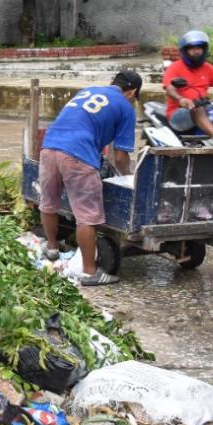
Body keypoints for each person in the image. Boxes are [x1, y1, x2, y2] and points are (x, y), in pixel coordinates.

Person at [39, 70, 143, 286]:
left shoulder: (87, 91)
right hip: (78, 153)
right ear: (132, 92)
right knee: (87, 216)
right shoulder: (125, 107)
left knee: (49, 202)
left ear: (113, 83)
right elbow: (121, 156)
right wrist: (129, 179)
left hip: (49, 147)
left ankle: (52, 248)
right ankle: (89, 272)